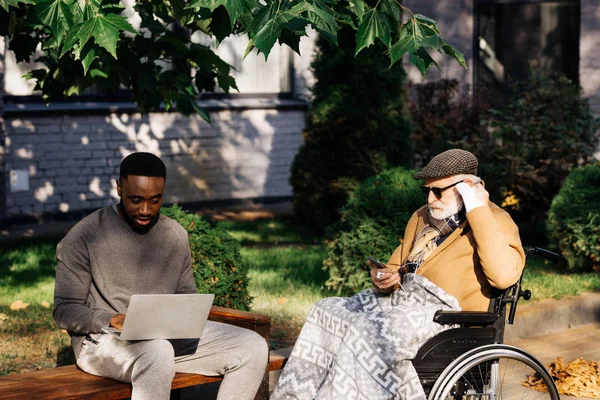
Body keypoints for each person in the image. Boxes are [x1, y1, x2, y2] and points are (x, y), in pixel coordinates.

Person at [271, 149, 525, 400]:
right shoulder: (421, 217)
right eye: (426, 191)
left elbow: (502, 276)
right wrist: (384, 278)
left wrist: (477, 210)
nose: (430, 199)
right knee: (326, 309)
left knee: (367, 329)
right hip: (404, 304)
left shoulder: (496, 220)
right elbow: (395, 267)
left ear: (467, 186)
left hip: (447, 319)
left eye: (438, 191)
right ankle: (294, 395)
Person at [53, 152, 268, 400]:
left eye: (155, 200)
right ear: (119, 188)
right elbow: (64, 311)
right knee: (157, 351)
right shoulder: (85, 236)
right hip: (102, 343)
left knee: (252, 346)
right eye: (136, 200)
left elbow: (187, 297)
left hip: (166, 339)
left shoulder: (174, 235)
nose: (146, 209)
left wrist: (183, 318)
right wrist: (113, 319)